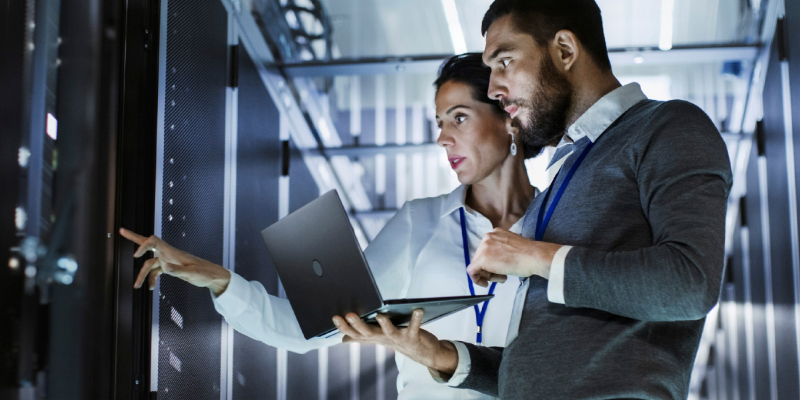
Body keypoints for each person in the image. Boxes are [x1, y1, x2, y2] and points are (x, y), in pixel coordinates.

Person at [332, 1, 733, 399]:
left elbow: (690, 283)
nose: (492, 88)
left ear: (564, 50)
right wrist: (440, 355)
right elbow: (541, 366)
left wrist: (537, 257)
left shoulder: (667, 127)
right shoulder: (562, 179)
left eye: (504, 61)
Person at [120, 53, 544, 399]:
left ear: (508, 116)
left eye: (459, 118)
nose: (442, 139)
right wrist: (218, 280)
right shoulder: (422, 222)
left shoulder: (559, 226)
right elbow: (312, 331)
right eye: (439, 123)